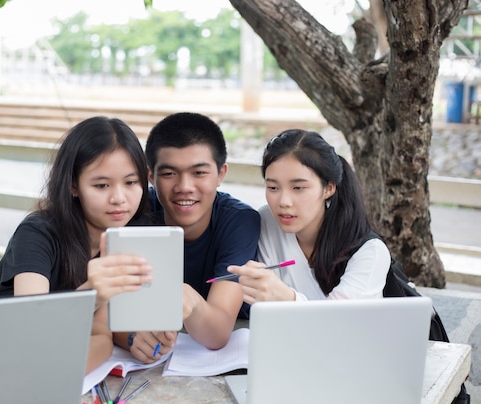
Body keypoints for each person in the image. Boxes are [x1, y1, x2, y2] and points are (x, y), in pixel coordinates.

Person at [0, 116, 154, 373]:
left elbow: (100, 337)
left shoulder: (123, 236)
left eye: (131, 182)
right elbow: (31, 326)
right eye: (102, 185)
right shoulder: (38, 233)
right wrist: (91, 293)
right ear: (74, 185)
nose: (119, 198)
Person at [115, 112, 261, 363]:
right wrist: (129, 337)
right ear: (150, 176)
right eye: (169, 173)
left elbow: (218, 332)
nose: (184, 186)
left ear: (221, 174)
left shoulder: (238, 221)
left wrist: (187, 299)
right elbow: (109, 310)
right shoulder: (132, 212)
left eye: (199, 173)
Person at [226, 129, 390, 303]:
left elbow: (340, 322)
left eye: (298, 188)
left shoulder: (370, 252)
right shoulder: (268, 220)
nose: (284, 202)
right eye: (273, 188)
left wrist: (288, 298)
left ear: (329, 188)